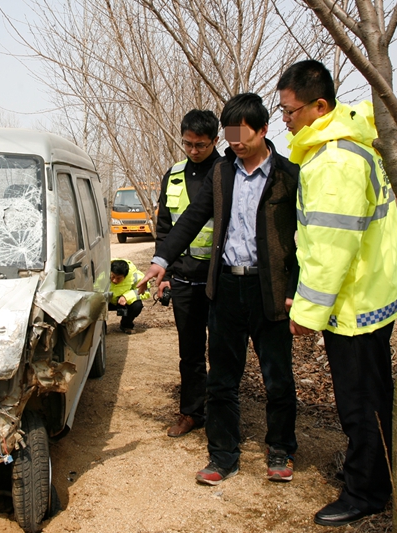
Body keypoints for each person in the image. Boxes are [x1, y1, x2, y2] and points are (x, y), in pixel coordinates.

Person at [138, 93, 299, 485]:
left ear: (263, 129)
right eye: (230, 134)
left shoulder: (288, 174)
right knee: (222, 378)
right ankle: (222, 454)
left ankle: (279, 449)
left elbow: (303, 239)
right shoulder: (223, 173)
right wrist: (161, 261)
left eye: (242, 133)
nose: (235, 141)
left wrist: (300, 289)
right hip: (226, 286)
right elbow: (193, 216)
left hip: (270, 288)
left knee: (277, 375)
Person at [277, 60, 397, 527]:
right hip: (369, 295)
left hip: (355, 304)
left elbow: (330, 248)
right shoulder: (346, 147)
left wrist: (307, 312)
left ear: (320, 106)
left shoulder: (334, 161)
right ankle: (378, 476)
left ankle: (366, 491)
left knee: (360, 401)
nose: (285, 119)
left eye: (290, 110)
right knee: (372, 394)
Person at [156, 109, 221, 438]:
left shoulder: (226, 172)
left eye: (200, 145)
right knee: (190, 351)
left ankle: (223, 415)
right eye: (187, 144)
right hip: (183, 279)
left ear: (215, 141)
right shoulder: (175, 175)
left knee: (222, 351)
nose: (193, 150)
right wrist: (164, 272)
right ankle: (192, 412)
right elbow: (165, 227)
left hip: (220, 279)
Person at [109, 258, 151, 334]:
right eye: (112, 276)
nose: (114, 280)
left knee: (137, 305)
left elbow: (145, 290)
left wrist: (126, 297)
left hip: (123, 302)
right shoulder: (101, 271)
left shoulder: (135, 276)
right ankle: (101, 327)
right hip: (107, 300)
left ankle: (126, 325)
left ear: (125, 276)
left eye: (119, 278)